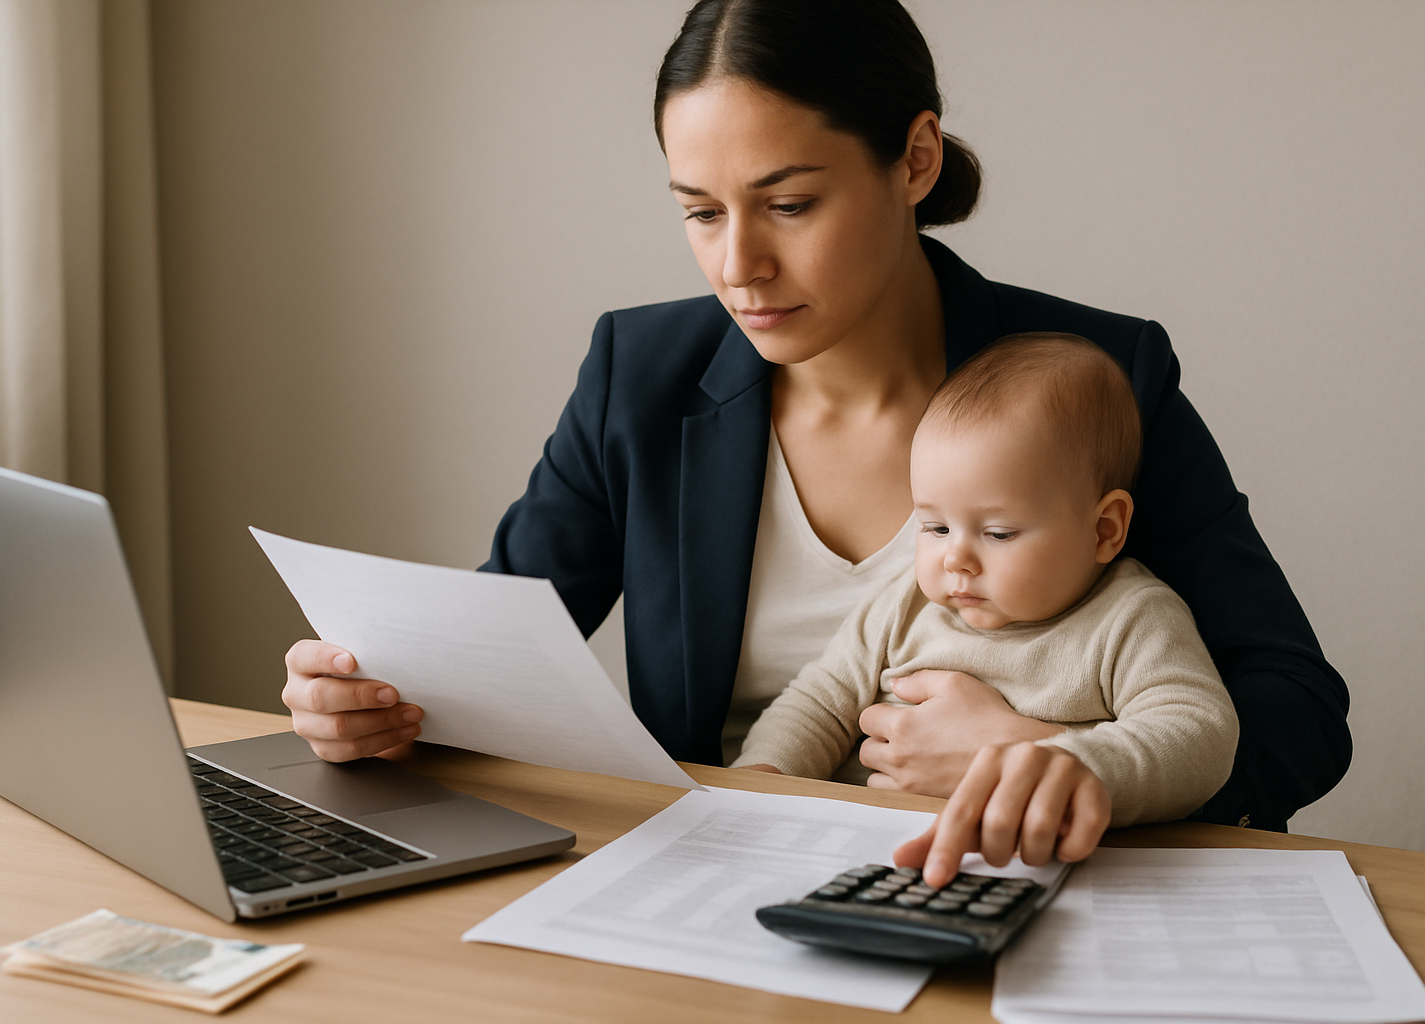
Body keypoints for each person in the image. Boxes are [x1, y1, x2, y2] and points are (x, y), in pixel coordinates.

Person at [281, 0, 1349, 863]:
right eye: (702, 212)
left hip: (1035, 892)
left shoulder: (1097, 379)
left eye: (788, 204)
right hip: (734, 880)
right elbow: (493, 663)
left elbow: (1299, 714)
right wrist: (375, 704)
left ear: (915, 159)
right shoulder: (638, 375)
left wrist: (1055, 755)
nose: (737, 264)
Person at [735, 333, 1240, 878]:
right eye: (934, 526)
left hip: (1034, 869)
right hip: (862, 855)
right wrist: (763, 775)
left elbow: (1199, 731)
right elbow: (818, 702)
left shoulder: (1130, 619)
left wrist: (1072, 763)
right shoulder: (904, 603)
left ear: (1104, 529)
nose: (956, 558)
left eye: (998, 533)